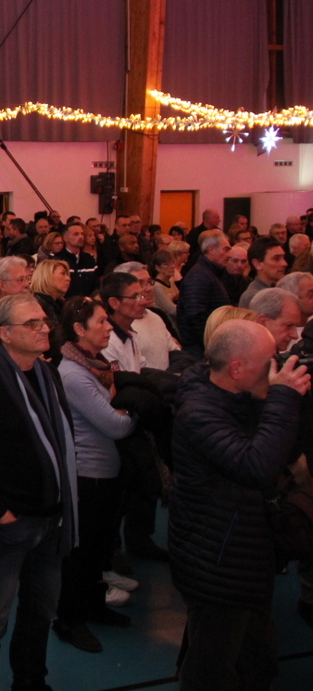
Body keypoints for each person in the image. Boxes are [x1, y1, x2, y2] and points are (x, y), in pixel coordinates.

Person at [169, 319, 309, 691]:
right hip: (217, 561)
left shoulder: (235, 398)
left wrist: (295, 403)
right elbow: (257, 467)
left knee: (256, 662)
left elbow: (280, 451)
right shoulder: (200, 413)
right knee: (212, 670)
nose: (276, 367)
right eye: (269, 361)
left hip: (240, 553)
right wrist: (284, 399)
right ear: (237, 369)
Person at [0, 294, 78, 691]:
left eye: (44, 321)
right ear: (5, 334)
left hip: (52, 517)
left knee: (41, 612)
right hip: (9, 523)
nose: (44, 329)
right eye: (32, 324)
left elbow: (61, 440)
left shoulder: (48, 374)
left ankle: (31, 681)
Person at [52, 297, 137, 654]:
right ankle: (69, 620)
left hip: (105, 472)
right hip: (88, 476)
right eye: (101, 321)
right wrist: (134, 411)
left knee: (98, 550)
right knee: (81, 554)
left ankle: (93, 606)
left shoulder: (94, 365)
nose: (108, 327)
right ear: (79, 329)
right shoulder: (74, 374)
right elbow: (115, 425)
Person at [177, 229, 232, 356]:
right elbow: (195, 317)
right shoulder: (199, 276)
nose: (229, 254)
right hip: (199, 350)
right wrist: (213, 343)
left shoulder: (210, 273)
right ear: (211, 250)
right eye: (226, 249)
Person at [239, 236, 286, 309]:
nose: (284, 263)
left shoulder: (283, 288)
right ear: (257, 264)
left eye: (283, 258)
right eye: (276, 259)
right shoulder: (254, 297)